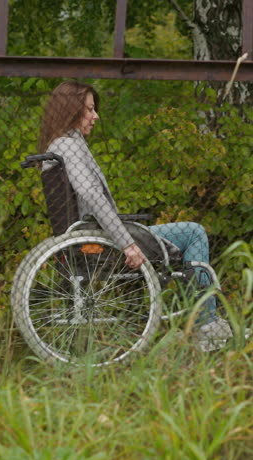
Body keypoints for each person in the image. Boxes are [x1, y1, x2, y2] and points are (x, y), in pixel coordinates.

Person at [39, 80, 233, 351]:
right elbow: (92, 196)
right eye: (90, 109)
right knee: (193, 232)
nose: (96, 116)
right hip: (105, 237)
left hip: (94, 234)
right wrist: (127, 242)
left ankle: (202, 323)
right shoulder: (69, 145)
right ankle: (205, 326)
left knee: (190, 233)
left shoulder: (61, 145)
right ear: (71, 111)